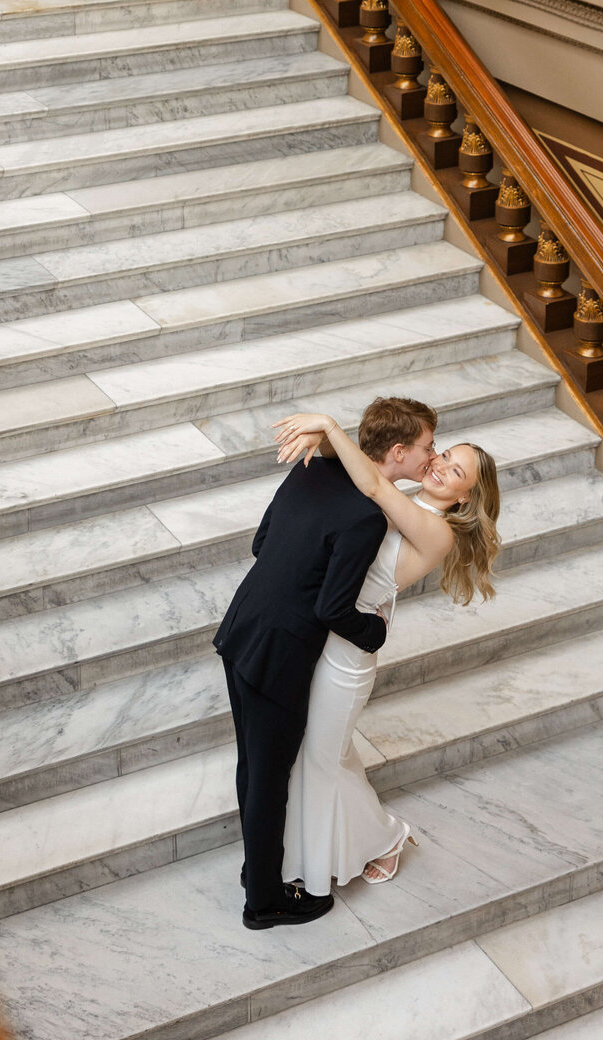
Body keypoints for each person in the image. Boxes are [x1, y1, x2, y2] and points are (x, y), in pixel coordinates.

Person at [214, 396, 438, 930]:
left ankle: (258, 870)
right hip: (280, 655)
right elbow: (334, 609)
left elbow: (260, 542)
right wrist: (376, 630)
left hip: (241, 629)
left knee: (254, 766)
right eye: (428, 447)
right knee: (268, 778)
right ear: (400, 452)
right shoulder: (368, 518)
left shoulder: (315, 466)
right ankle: (264, 901)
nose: (432, 454)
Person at [274, 406, 501, 892]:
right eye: (443, 453)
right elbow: (369, 469)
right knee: (328, 749)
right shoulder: (404, 498)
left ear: (465, 499)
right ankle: (328, 843)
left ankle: (387, 837)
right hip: (325, 632)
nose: (439, 464)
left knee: (322, 758)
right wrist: (326, 440)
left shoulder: (436, 530)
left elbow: (373, 484)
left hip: (348, 653)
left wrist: (331, 426)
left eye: (455, 471)